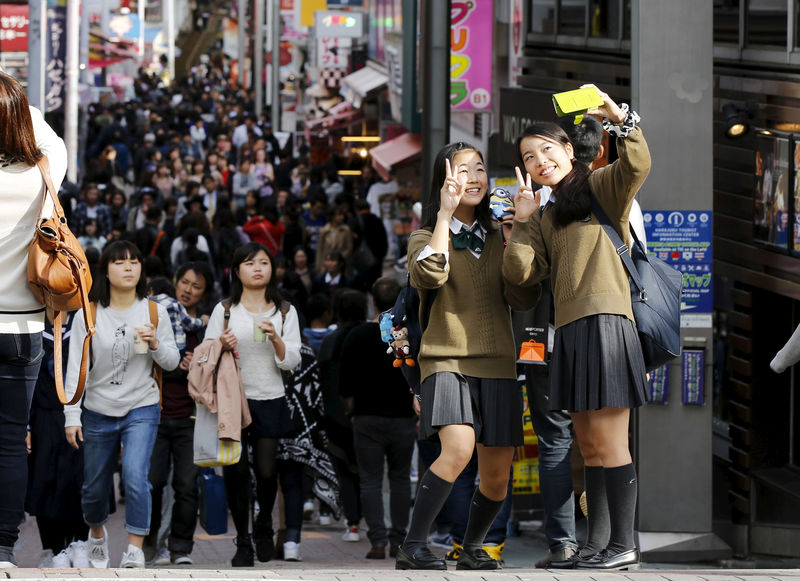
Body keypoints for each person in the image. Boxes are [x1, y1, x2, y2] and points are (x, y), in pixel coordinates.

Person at [503, 86, 650, 570]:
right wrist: (522, 225)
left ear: (569, 149)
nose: (540, 159)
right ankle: (596, 545)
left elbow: (637, 167)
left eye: (548, 149)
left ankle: (623, 544)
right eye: (529, 156)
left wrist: (620, 120)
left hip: (607, 322)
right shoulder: (544, 214)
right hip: (567, 331)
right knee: (586, 447)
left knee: (608, 443)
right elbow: (523, 285)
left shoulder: (602, 186)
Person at [396, 141, 536, 571]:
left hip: (497, 361)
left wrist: (521, 232)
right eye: (462, 170)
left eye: (479, 169)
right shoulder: (425, 236)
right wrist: (442, 215)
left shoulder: (500, 234)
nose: (474, 177)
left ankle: (472, 547)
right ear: (445, 181)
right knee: (458, 448)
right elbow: (429, 274)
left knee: (496, 472)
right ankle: (413, 545)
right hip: (445, 359)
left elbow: (523, 293)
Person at [63, 241, 180, 568]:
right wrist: (72, 414)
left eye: (134, 261)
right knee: (95, 485)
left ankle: (134, 548)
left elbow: (172, 362)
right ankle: (97, 534)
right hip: (98, 409)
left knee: (135, 476)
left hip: (142, 406)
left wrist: (156, 343)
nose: (129, 267)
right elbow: (76, 367)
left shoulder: (154, 310)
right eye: (120, 262)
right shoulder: (88, 313)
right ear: (105, 270)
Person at [0, 69, 68, 568]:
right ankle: (1, 547)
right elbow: (48, 135)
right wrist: (17, 102)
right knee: (8, 443)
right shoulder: (45, 171)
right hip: (23, 329)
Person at [203, 242, 302, 567]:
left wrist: (276, 338)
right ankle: (243, 540)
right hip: (232, 401)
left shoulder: (284, 311)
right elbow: (205, 354)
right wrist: (221, 342)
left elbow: (293, 362)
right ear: (236, 270)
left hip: (270, 398)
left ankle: (263, 526)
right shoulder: (226, 309)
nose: (258, 268)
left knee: (266, 471)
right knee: (235, 471)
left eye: (263, 262)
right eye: (249, 263)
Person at [339, 277, 415, 560]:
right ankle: (399, 539)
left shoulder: (357, 335)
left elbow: (344, 384)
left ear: (372, 301)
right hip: (403, 418)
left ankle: (377, 541)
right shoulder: (407, 334)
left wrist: (352, 411)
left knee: (370, 480)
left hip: (366, 417)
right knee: (400, 478)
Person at [145, 262, 215, 565]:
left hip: (190, 419)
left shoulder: (205, 329)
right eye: (184, 282)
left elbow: (215, 371)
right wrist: (173, 363)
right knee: (152, 483)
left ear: (204, 292)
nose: (188, 290)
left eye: (196, 286)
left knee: (186, 486)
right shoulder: (158, 319)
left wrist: (195, 366)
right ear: (175, 282)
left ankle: (179, 548)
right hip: (156, 415)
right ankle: (149, 543)